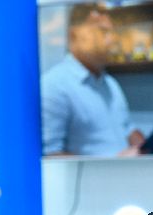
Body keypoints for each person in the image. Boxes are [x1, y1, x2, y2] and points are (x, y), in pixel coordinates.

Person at [41, 2, 144, 156]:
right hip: (97, 173)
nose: (112, 40)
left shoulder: (110, 83)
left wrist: (145, 145)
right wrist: (111, 164)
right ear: (74, 35)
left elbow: (127, 128)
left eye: (112, 32)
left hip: (127, 170)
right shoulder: (53, 85)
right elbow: (50, 155)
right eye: (102, 31)